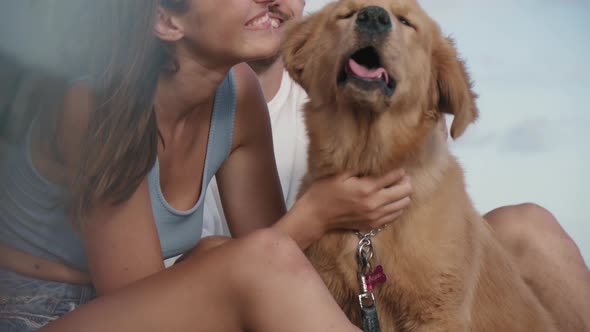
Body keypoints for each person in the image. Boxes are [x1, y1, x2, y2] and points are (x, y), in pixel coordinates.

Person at [0, 0, 413, 331]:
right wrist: (316, 212)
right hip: (35, 312)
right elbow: (144, 301)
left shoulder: (238, 92)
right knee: (246, 257)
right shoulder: (95, 103)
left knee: (219, 251)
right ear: (166, 20)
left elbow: (279, 270)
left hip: (131, 306)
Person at [201, 1, 590, 331]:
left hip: (356, 259)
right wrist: (317, 213)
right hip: (260, 294)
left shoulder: (353, 58)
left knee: (527, 227)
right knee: (216, 255)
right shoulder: (194, 100)